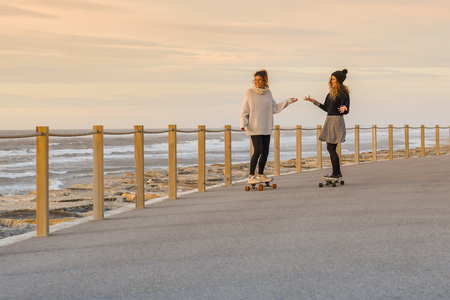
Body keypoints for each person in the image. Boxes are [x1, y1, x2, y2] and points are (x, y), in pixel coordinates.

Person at [240, 69, 298, 184]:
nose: (257, 82)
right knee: (258, 150)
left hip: (266, 126)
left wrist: (288, 101)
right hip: (254, 127)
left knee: (265, 151)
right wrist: (243, 123)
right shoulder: (249, 92)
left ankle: (260, 174)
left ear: (264, 81)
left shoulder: (268, 93)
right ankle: (251, 176)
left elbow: (275, 108)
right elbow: (245, 109)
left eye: (259, 80)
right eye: (255, 80)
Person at [304, 69, 350, 179]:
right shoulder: (330, 93)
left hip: (336, 121)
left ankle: (336, 173)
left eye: (334, 79)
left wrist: (344, 109)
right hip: (329, 120)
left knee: (331, 148)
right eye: (331, 78)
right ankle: (337, 172)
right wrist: (314, 102)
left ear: (339, 80)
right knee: (331, 148)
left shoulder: (343, 93)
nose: (332, 80)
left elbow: (346, 107)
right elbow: (326, 108)